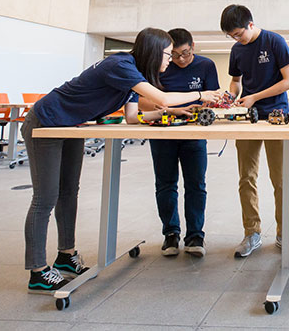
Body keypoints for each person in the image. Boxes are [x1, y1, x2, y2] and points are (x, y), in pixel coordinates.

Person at [21, 28, 216, 294]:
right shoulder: (120, 64)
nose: (170, 60)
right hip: (46, 122)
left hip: (72, 125)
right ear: (153, 51)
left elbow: (134, 117)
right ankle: (37, 272)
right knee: (45, 198)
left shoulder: (134, 73)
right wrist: (201, 94)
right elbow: (164, 97)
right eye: (168, 55)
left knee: (68, 193)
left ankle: (66, 255)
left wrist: (169, 113)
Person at [125, 29, 221, 258]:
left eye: (185, 53)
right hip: (162, 132)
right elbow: (142, 101)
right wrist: (172, 110)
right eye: (173, 55)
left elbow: (213, 96)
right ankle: (170, 234)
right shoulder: (158, 64)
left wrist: (203, 107)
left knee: (196, 184)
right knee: (166, 184)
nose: (179, 59)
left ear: (193, 47)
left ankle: (195, 235)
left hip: (193, 134)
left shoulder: (206, 66)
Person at [220, 4, 289, 258]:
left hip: (277, 115)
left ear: (251, 24)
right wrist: (230, 96)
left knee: (280, 179)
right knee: (246, 178)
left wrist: (255, 97)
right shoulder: (236, 50)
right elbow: (236, 81)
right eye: (232, 36)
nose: (237, 39)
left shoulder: (274, 41)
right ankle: (252, 232)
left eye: (239, 34)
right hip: (247, 119)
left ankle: (284, 234)